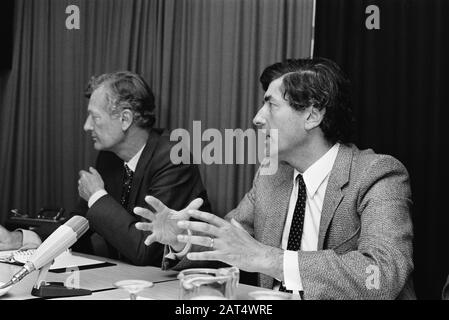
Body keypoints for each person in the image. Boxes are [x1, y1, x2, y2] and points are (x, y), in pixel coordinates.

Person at [133, 58, 415, 299]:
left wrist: (270, 259)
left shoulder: (378, 173)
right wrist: (181, 239)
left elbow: (381, 273)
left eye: (271, 105)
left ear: (312, 115)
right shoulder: (271, 175)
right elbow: (232, 241)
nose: (257, 118)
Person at [0, 71, 210, 266]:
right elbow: (78, 225)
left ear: (125, 119)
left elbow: (146, 250)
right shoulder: (109, 158)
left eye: (95, 117)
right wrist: (19, 239)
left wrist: (97, 196)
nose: (87, 126)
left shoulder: (173, 159)